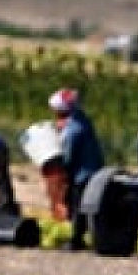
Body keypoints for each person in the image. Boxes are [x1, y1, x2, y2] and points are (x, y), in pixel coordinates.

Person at [48, 88, 104, 221]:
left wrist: (62, 171)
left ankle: (76, 237)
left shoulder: (73, 129)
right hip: (95, 169)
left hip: (83, 174)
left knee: (78, 206)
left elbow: (69, 156)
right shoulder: (83, 119)